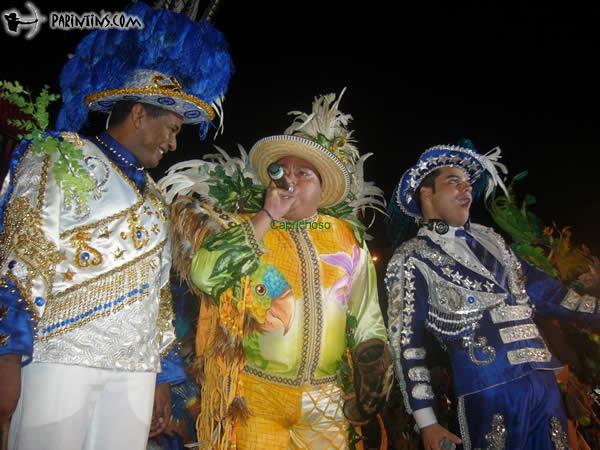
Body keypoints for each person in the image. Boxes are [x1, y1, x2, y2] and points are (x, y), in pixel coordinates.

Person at [0, 3, 232, 450]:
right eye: (170, 129)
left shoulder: (155, 197)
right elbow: (22, 254)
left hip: (134, 375)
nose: (171, 143)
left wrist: (162, 375)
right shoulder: (58, 154)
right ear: (139, 114)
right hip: (59, 360)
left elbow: (159, 294)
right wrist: (8, 353)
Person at [159, 90, 392, 449]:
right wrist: (265, 216)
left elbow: (366, 317)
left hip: (326, 400)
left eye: (304, 174)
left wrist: (371, 382)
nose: (290, 181)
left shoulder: (347, 238)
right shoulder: (244, 227)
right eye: (282, 171)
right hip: (256, 398)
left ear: (322, 188)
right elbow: (205, 274)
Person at [385, 142, 600, 450]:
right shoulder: (411, 258)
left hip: (544, 384)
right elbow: (407, 343)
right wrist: (427, 422)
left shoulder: (494, 242)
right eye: (453, 181)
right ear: (426, 193)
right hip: (488, 392)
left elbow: (553, 295)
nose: (466, 190)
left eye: (469, 184)